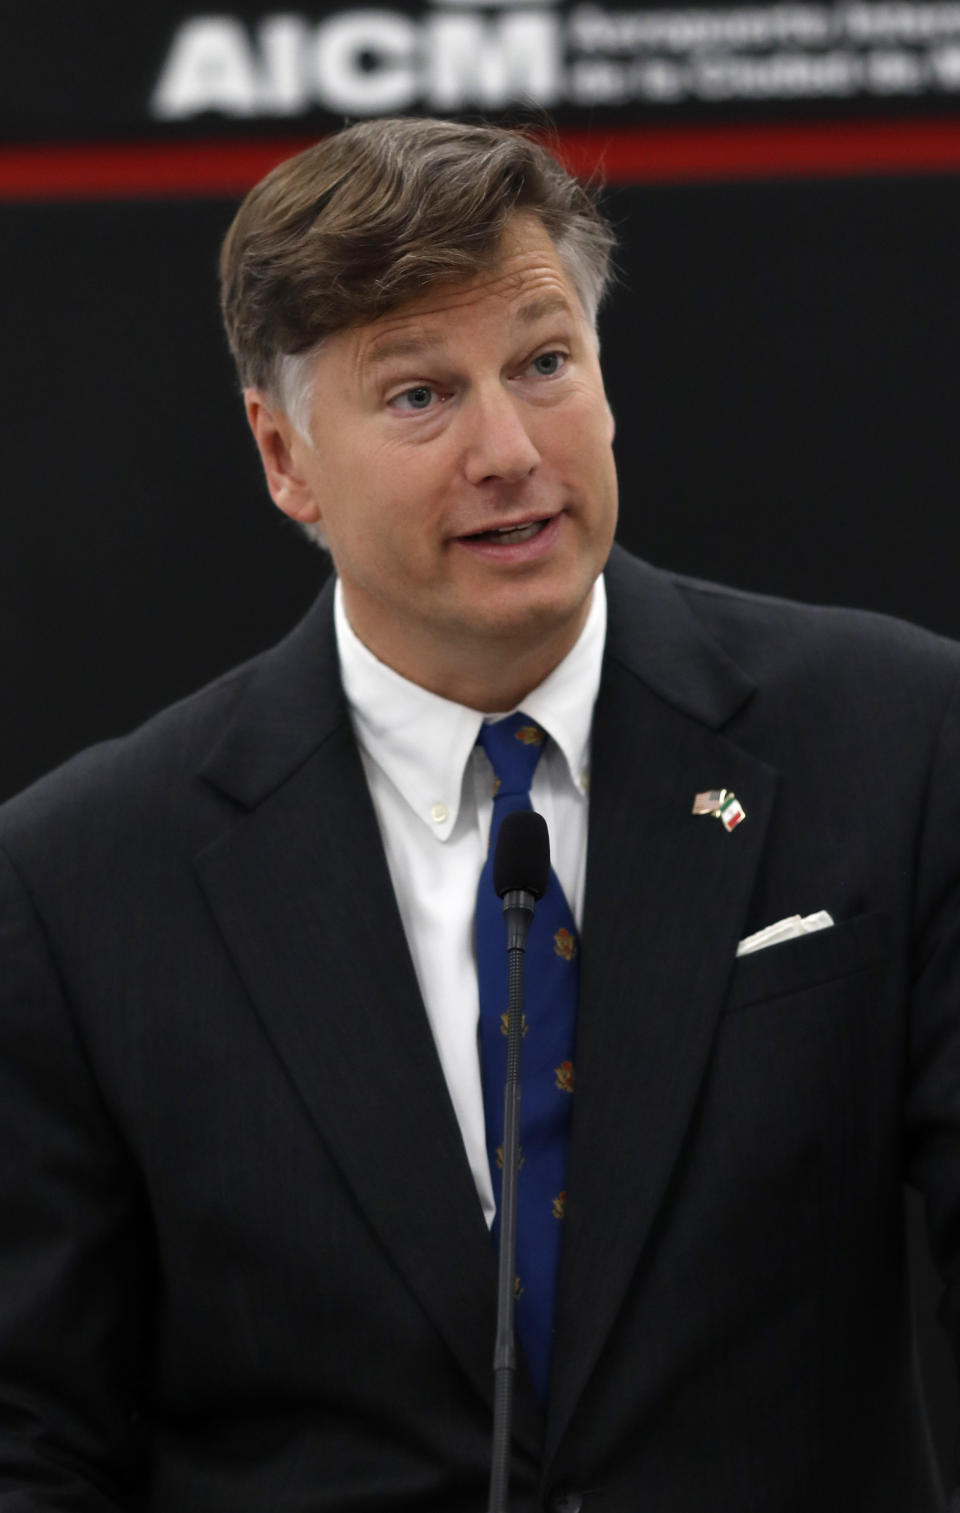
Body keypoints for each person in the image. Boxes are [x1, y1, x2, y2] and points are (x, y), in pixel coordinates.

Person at [1, 115, 959, 1513]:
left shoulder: (894, 737)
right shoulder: (79, 886)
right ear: (284, 456)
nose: (510, 448)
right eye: (418, 397)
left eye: (543, 362)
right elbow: (33, 1437)